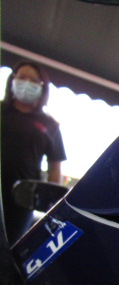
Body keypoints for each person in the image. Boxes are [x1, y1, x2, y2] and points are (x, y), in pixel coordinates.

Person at [1, 61, 66, 244]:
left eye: (33, 80)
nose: (26, 83)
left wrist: (53, 206)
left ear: (42, 87)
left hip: (21, 203)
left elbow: (55, 167)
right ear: (12, 80)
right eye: (22, 78)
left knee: (9, 248)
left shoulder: (50, 125)